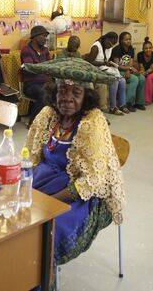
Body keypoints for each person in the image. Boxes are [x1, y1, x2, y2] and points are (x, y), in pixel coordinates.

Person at [23, 69, 124, 271]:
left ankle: (38, 277)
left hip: (81, 195)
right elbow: (29, 155)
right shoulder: (49, 114)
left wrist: (48, 203)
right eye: (62, 91)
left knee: (45, 231)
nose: (67, 98)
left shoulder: (92, 121)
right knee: (13, 212)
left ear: (86, 97)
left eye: (76, 92)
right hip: (44, 180)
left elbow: (93, 180)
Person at [86, 32, 130, 115]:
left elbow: (106, 60)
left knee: (122, 81)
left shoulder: (108, 47)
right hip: (95, 70)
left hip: (104, 68)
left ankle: (122, 105)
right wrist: (104, 63)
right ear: (106, 39)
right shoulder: (96, 47)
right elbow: (89, 62)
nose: (111, 46)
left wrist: (108, 64)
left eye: (113, 44)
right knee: (114, 80)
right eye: (111, 43)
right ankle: (113, 107)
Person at [21, 25, 52, 124]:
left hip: (45, 83)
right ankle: (33, 122)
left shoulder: (45, 50)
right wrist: (44, 68)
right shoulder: (26, 49)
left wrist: (43, 69)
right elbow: (31, 68)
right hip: (31, 85)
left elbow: (50, 66)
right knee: (44, 93)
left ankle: (50, 121)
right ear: (35, 37)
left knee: (60, 90)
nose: (45, 39)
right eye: (43, 36)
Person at [111, 32, 145, 111]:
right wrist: (128, 69)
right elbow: (117, 65)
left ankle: (139, 103)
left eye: (129, 39)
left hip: (127, 69)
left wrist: (130, 69)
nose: (128, 41)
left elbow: (131, 62)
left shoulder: (131, 49)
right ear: (121, 41)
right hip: (118, 71)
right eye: (126, 39)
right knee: (134, 79)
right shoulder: (117, 49)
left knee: (142, 78)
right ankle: (127, 103)